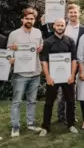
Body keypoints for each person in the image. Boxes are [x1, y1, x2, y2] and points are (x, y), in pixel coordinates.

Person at [39, 18, 78, 136]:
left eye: (62, 25)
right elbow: (44, 61)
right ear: (54, 26)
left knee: (70, 101)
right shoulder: (48, 42)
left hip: (67, 77)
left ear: (65, 26)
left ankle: (71, 124)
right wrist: (47, 76)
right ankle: (45, 127)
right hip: (53, 77)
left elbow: (74, 59)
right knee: (49, 102)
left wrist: (72, 75)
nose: (60, 27)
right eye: (58, 25)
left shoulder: (70, 41)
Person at [7, 8, 43, 137]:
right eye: (27, 18)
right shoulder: (14, 34)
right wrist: (11, 57)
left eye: (32, 19)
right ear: (22, 19)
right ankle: (15, 126)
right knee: (17, 101)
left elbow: (41, 46)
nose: (29, 21)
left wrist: (40, 48)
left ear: (35, 20)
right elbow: (8, 54)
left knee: (32, 101)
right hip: (20, 74)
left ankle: (31, 124)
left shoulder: (38, 32)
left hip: (35, 72)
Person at [58, 4, 84, 125]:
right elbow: (51, 38)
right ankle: (60, 116)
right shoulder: (63, 27)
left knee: (72, 91)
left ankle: (71, 115)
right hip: (62, 62)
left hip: (77, 62)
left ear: (79, 13)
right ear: (68, 14)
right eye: (71, 12)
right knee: (61, 91)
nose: (73, 14)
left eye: (75, 12)